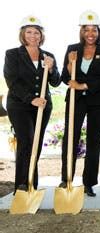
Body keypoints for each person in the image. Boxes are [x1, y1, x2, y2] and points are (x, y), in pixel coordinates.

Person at [58, 10, 100, 197]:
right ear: (81, 31)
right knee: (70, 139)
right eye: (86, 30)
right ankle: (66, 179)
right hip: (75, 100)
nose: (90, 34)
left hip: (99, 101)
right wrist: (69, 65)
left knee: (94, 141)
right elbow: (66, 77)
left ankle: (89, 182)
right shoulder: (72, 49)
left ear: (98, 31)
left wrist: (83, 85)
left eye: (94, 30)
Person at [3, 15, 61, 193]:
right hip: (20, 105)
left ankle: (31, 186)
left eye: (36, 32)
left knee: (35, 143)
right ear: (23, 34)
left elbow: (56, 82)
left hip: (43, 106)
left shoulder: (48, 56)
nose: (32, 35)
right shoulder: (12, 54)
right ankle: (22, 186)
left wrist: (51, 68)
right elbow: (12, 81)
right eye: (29, 32)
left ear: (41, 35)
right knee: (26, 140)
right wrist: (31, 98)